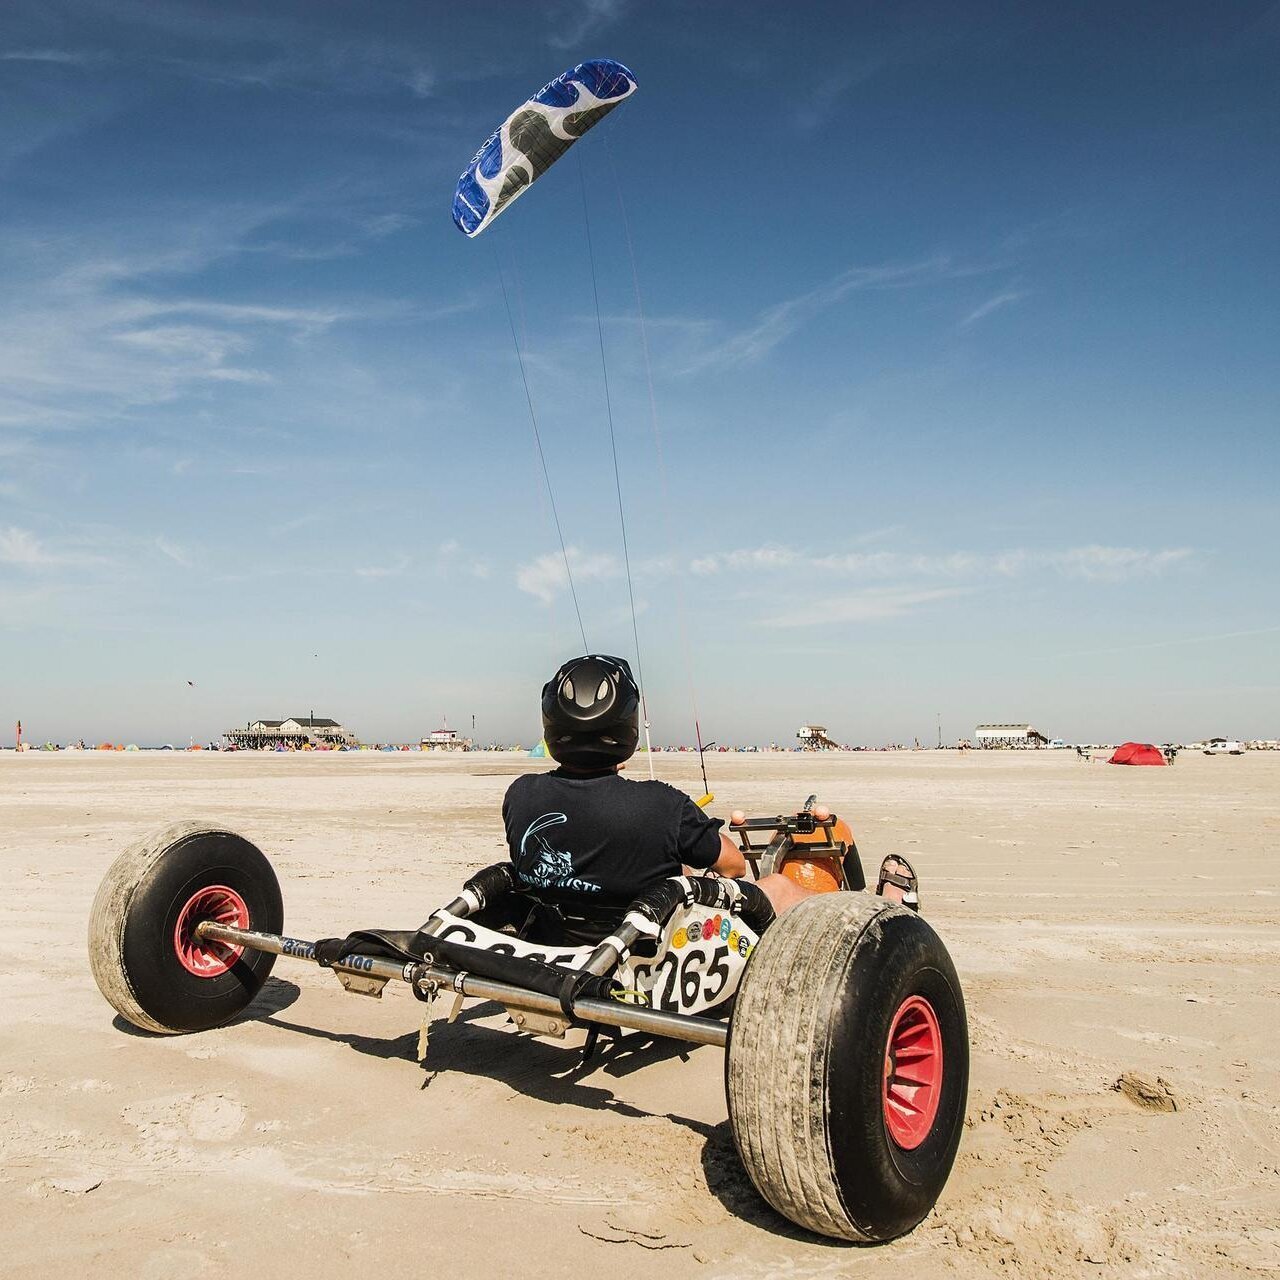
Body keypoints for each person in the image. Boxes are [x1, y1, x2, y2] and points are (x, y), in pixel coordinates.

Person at [501, 654, 915, 943]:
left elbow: (587, 841)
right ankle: (876, 921)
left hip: (560, 937)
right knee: (779, 885)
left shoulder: (521, 794)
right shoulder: (659, 805)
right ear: (626, 729)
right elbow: (733, 867)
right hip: (650, 949)